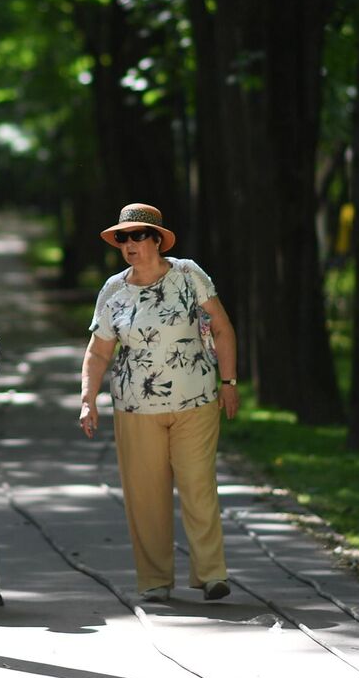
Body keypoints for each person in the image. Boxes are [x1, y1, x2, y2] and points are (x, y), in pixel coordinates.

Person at [78, 202, 240, 603]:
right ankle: (154, 579)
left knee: (198, 484)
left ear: (155, 240)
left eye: (137, 236)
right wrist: (87, 399)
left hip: (197, 400)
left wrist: (230, 381)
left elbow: (221, 327)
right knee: (144, 495)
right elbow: (98, 353)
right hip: (135, 409)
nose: (129, 244)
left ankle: (211, 574)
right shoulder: (113, 290)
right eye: (122, 238)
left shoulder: (187, 274)